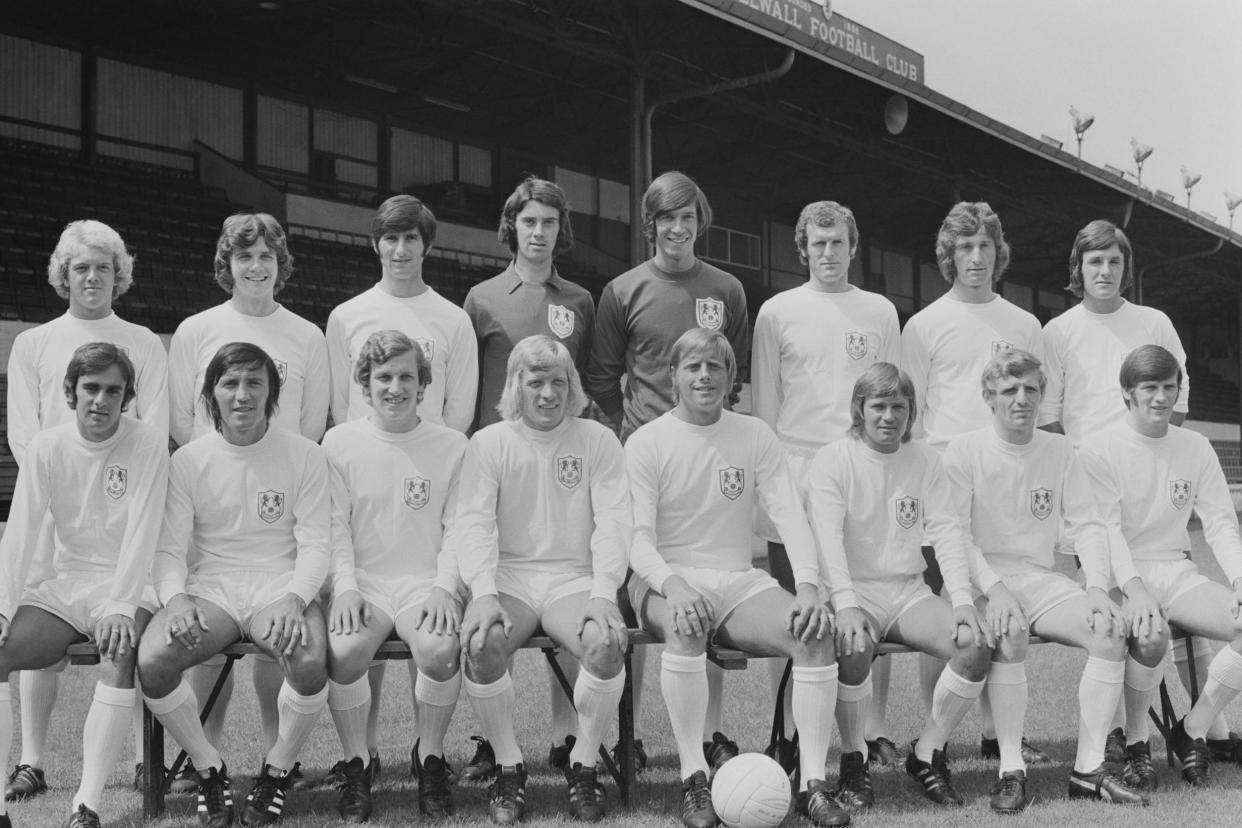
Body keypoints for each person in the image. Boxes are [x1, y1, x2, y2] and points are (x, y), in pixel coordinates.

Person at [626, 329, 845, 828]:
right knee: (685, 627)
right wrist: (674, 586)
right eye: (694, 367)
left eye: (716, 367)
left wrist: (809, 586)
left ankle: (812, 783)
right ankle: (694, 778)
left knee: (814, 631)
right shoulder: (646, 442)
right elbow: (636, 542)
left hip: (737, 579)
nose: (705, 376)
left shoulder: (754, 434)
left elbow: (790, 515)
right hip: (664, 580)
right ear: (674, 376)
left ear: (730, 378)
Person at [1040, 220, 1226, 760]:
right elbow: (1052, 422)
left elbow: (1178, 399)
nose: (1104, 271)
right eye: (1094, 262)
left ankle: (1204, 730)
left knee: (1190, 619)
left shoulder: (1154, 321)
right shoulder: (1060, 331)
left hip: (1149, 490)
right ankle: (1133, 736)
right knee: (1133, 620)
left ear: (1126, 267)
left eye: (1114, 261)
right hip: (1093, 501)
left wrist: (1155, 462)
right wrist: (1084, 486)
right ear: (1079, 268)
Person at [585, 171, 750, 771]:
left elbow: (734, 371)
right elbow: (602, 376)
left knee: (711, 575)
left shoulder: (727, 288)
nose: (676, 229)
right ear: (649, 225)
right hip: (646, 459)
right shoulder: (623, 290)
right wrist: (642, 436)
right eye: (664, 219)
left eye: (687, 218)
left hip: (711, 459)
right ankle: (626, 733)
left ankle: (711, 733)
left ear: (699, 221)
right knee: (642, 594)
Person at [941, 348, 1154, 811]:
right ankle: (1011, 769)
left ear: (1042, 395)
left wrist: (1097, 587)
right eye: (1009, 390)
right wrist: (993, 589)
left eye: (1031, 389)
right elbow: (954, 535)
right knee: (1009, 634)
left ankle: (1088, 769)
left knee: (1109, 629)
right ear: (988, 396)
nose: (1021, 399)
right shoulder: (964, 450)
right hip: (982, 582)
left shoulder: (1058, 450)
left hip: (1039, 580)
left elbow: (1089, 524)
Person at [4, 219, 168, 801]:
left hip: (122, 507)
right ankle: (31, 759)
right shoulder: (33, 343)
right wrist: (61, 484)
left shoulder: (144, 341)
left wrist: (104, 480)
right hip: (52, 506)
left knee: (125, 639)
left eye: (103, 267)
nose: (92, 277)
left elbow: (153, 429)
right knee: (27, 641)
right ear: (63, 275)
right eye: (81, 267)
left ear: (118, 275)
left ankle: (138, 769)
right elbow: (26, 434)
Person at [165, 213, 328, 792]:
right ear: (226, 265)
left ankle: (274, 753)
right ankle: (199, 753)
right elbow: (185, 423)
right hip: (212, 500)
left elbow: (309, 426)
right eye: (243, 257)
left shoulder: (307, 334)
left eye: (266, 256)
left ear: (280, 264)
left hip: (282, 498)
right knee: (205, 642)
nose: (255, 267)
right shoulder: (195, 330)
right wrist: (221, 477)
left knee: (274, 637)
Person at [137, 342, 330, 828]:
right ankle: (209, 768)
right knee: (154, 660)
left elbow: (316, 545)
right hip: (213, 589)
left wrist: (295, 598)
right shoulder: (188, 461)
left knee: (308, 662)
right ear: (211, 394)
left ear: (272, 393)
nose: (242, 395)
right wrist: (176, 598)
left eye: (254, 383)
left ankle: (277, 769)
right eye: (230, 383)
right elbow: (167, 549)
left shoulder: (305, 455)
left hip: (279, 586)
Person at [324, 194, 478, 777]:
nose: (401, 249)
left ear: (427, 245)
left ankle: (428, 754)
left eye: (412, 238)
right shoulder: (346, 315)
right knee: (356, 640)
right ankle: (357, 759)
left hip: (427, 471)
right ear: (375, 243)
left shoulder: (451, 318)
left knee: (432, 640)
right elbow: (344, 407)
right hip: (368, 479)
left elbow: (459, 409)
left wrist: (423, 454)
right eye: (390, 238)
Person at [456, 335, 631, 824]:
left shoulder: (597, 439)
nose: (548, 393)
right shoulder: (489, 443)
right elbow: (473, 523)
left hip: (573, 578)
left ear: (572, 384)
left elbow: (615, 520)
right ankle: (510, 766)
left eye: (559, 381)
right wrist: (483, 593)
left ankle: (585, 762)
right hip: (510, 576)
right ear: (517, 385)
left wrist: (603, 592)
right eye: (536, 382)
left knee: (604, 643)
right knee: (482, 642)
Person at [751, 201, 901, 768]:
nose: (829, 253)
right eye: (818, 244)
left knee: (867, 594)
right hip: (794, 469)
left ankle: (870, 730)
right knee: (796, 603)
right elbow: (765, 406)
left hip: (861, 468)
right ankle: (787, 731)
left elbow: (893, 396)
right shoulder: (777, 311)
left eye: (837, 242)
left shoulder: (880, 311)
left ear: (853, 246)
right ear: (803, 248)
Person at [900, 201, 1048, 764]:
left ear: (998, 252)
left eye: (985, 246)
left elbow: (1035, 409)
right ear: (949, 256)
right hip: (943, 488)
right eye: (965, 248)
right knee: (948, 605)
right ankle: (933, 730)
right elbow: (909, 417)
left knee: (999, 607)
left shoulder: (1023, 325)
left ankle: (993, 735)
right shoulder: (925, 324)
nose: (977, 258)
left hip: (1001, 487)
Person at [806, 363, 992, 812]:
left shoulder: (926, 459)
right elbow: (826, 538)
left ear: (911, 412)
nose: (889, 416)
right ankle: (854, 760)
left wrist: (963, 601)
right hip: (856, 591)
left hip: (909, 591)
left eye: (899, 407)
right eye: (879, 406)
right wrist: (845, 604)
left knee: (974, 643)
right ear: (859, 409)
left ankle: (928, 752)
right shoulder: (833, 458)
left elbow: (947, 531)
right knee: (852, 648)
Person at [462, 177, 596, 776]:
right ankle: (495, 742)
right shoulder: (482, 298)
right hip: (499, 465)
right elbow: (470, 393)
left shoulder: (581, 301)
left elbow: (581, 387)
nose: (538, 232)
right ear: (511, 227)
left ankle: (569, 738)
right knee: (494, 593)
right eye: (528, 221)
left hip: (561, 467)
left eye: (548, 222)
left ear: (559, 230)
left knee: (569, 583)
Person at [1079, 344, 1242, 789]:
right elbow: (1106, 531)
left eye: (1169, 387)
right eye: (1149, 387)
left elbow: (1221, 522)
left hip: (1175, 570)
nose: (1160, 397)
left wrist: (1240, 577)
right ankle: (1136, 744)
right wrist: (1133, 588)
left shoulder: (1195, 446)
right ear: (1127, 393)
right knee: (1149, 636)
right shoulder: (1100, 448)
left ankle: (1192, 730)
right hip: (1117, 575)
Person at [321, 330, 467, 821]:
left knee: (441, 652)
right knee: (344, 652)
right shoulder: (340, 442)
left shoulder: (450, 444)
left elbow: (459, 526)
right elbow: (334, 525)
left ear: (424, 384)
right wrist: (343, 586)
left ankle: (430, 758)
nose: (395, 387)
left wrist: (446, 586)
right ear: (364, 384)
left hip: (425, 583)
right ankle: (357, 764)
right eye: (383, 376)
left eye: (407, 376)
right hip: (365, 583)